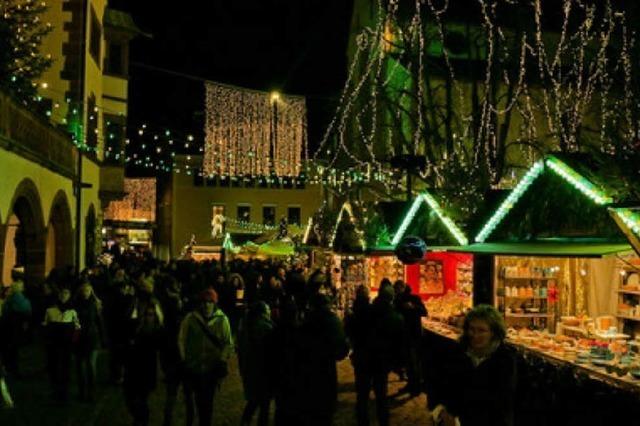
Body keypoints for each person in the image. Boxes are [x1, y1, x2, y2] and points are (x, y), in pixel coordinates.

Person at [430, 305, 517, 426]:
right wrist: (442, 410)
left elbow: (500, 401)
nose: (475, 335)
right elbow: (442, 383)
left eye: (481, 330)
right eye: (472, 329)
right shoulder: (458, 352)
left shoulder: (505, 359)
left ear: (494, 333)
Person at [178, 288, 233, 426]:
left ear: (214, 303)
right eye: (204, 302)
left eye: (210, 302)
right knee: (196, 400)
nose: (206, 305)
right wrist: (184, 358)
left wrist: (222, 359)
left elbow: (228, 343)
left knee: (207, 402)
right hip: (193, 367)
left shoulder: (222, 320)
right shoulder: (190, 318)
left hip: (211, 368)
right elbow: (181, 339)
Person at [297, 293, 349, 425]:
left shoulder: (306, 322)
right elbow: (341, 350)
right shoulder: (333, 321)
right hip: (326, 369)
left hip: (309, 371)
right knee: (326, 411)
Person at [123, 302, 164, 426]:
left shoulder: (157, 330)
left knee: (141, 399)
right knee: (130, 398)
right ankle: (139, 419)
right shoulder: (136, 327)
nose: (148, 317)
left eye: (151, 314)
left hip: (147, 370)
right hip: (132, 369)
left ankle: (141, 421)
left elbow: (160, 347)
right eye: (146, 314)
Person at [238, 301, 275, 426]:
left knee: (254, 400)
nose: (270, 311)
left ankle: (245, 421)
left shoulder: (247, 325)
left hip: (250, 369)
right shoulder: (265, 327)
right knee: (264, 404)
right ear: (263, 312)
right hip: (262, 370)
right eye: (268, 308)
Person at [43, 287, 80, 402]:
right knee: (54, 367)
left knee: (65, 367)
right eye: (62, 294)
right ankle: (55, 390)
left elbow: (77, 326)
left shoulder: (72, 311)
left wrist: (74, 340)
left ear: (69, 296)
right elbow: (46, 324)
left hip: (66, 344)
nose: (64, 296)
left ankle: (63, 392)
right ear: (59, 296)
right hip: (54, 343)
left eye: (66, 294)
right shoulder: (50, 310)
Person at [394, 280, 427, 396]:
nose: (397, 290)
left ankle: (416, 387)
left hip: (414, 335)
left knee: (414, 362)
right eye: (396, 288)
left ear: (404, 287)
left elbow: (424, 312)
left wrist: (413, 307)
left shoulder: (414, 298)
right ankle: (410, 385)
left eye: (399, 288)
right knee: (408, 362)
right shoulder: (397, 300)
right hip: (403, 336)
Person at [74, 282, 104, 402]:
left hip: (92, 337)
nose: (86, 293)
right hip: (80, 338)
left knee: (91, 366)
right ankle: (82, 392)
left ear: (91, 291)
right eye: (84, 290)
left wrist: (103, 338)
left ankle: (91, 392)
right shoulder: (76, 304)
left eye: (88, 290)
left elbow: (99, 322)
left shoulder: (95, 304)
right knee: (80, 367)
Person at [0, 267, 32, 377]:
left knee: (9, 350)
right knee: (12, 350)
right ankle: (12, 369)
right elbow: (26, 310)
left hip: (8, 327)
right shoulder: (19, 298)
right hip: (14, 327)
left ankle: (8, 368)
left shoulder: (10, 299)